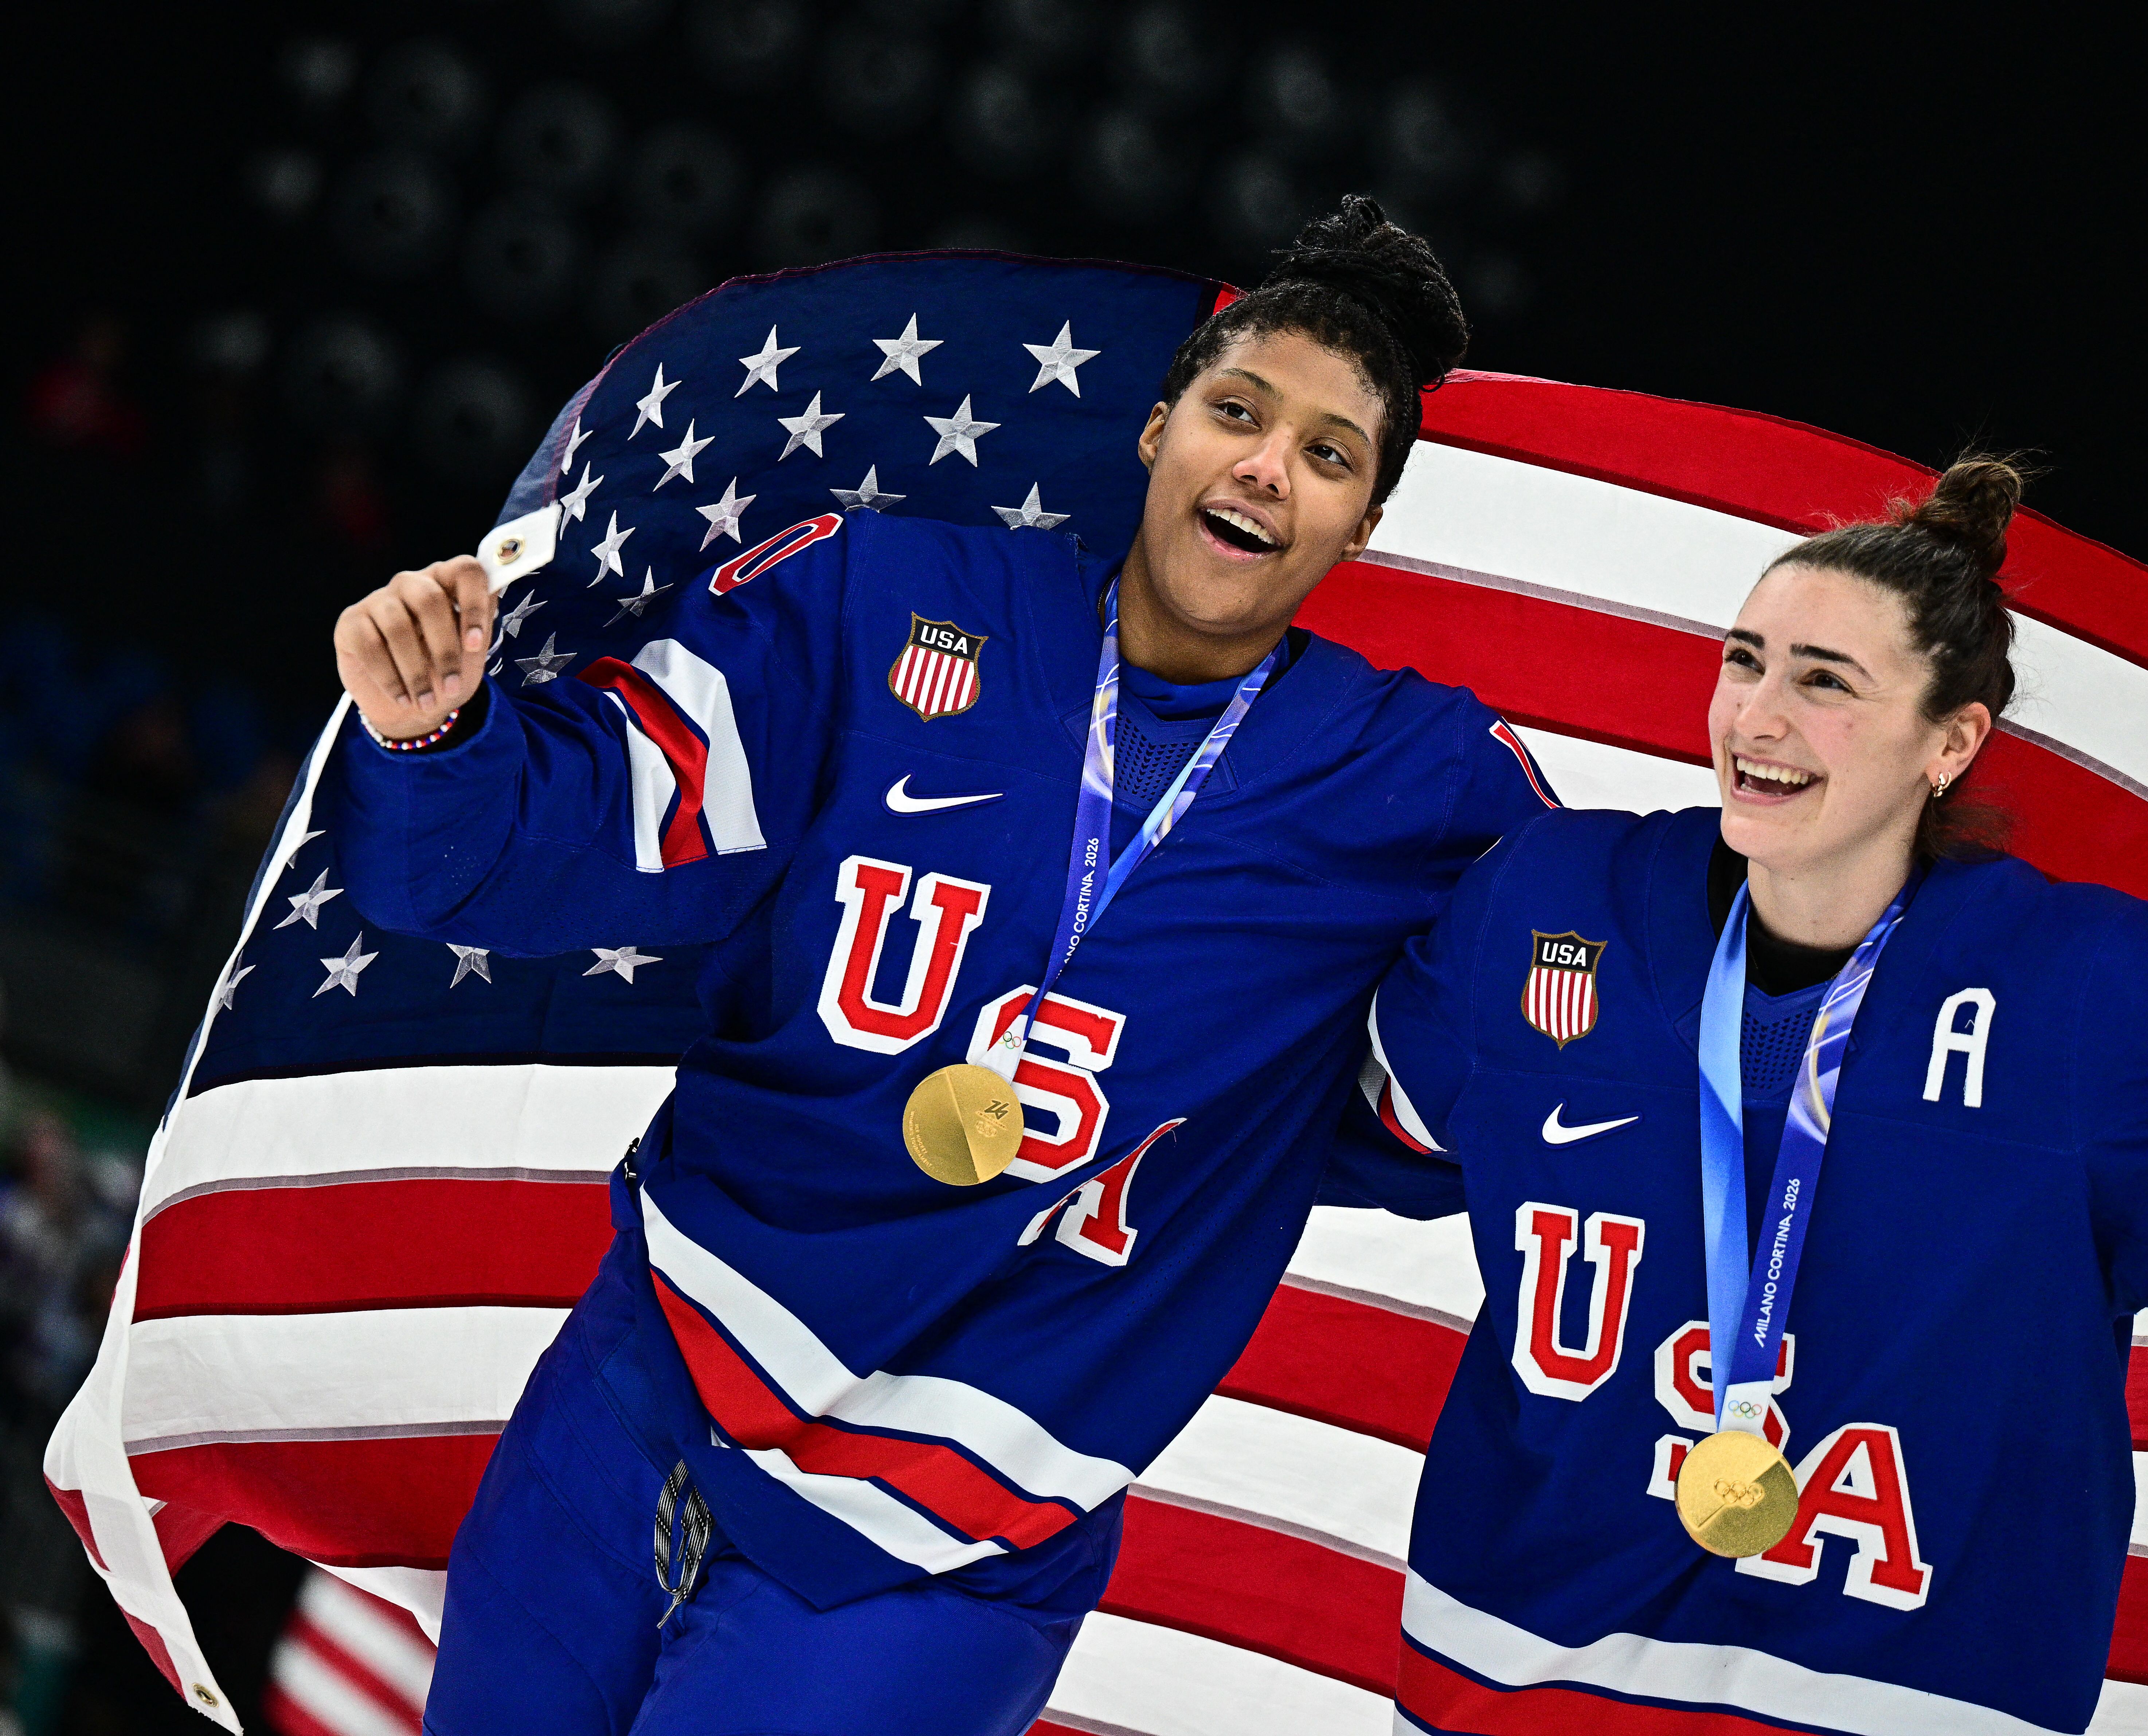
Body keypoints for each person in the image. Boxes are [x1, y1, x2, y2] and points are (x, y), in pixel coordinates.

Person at [316, 198, 1556, 1736]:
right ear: (1159, 426)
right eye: (1237, 413)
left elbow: (1470, 1111)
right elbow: (568, 833)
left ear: (1361, 524)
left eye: (1326, 453)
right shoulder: (882, 596)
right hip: (659, 1370)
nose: (1264, 466)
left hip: (961, 1522)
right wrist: (436, 728)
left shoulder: (1422, 784)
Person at [1355, 458, 2148, 1734]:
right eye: (1743, 659)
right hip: (1505, 1682)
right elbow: (1328, 1129)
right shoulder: (1550, 905)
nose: (1755, 717)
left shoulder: (2079, 998)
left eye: (1824, 682)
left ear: (1952, 740)